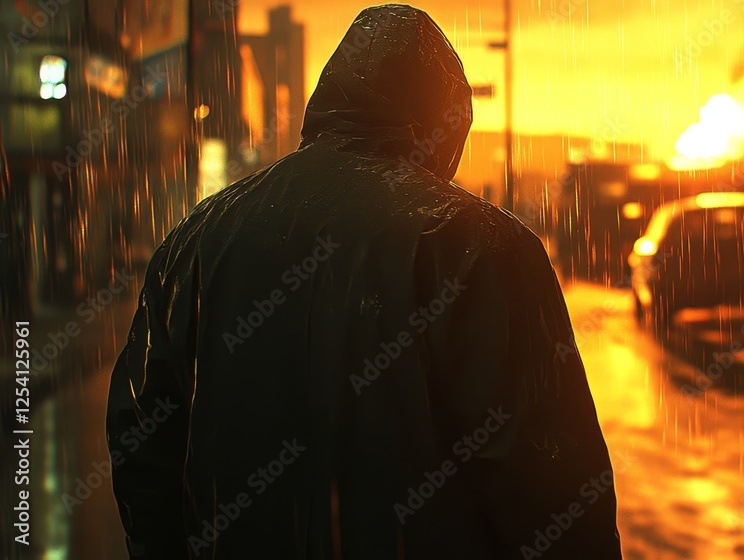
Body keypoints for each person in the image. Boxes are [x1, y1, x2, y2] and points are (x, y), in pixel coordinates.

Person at [106, 5, 622, 559]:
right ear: (444, 123)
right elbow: (552, 479)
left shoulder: (197, 239)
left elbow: (142, 440)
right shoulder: (484, 246)